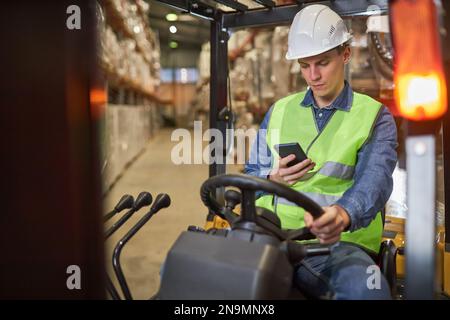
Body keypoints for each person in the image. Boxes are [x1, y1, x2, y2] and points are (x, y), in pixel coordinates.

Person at [245, 4, 398, 300]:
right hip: (273, 236)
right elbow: (252, 178)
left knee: (368, 293)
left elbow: (374, 182)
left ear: (346, 54)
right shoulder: (279, 111)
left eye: (323, 62)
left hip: (338, 245)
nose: (313, 76)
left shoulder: (374, 116)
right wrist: (275, 179)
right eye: (305, 65)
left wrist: (342, 214)